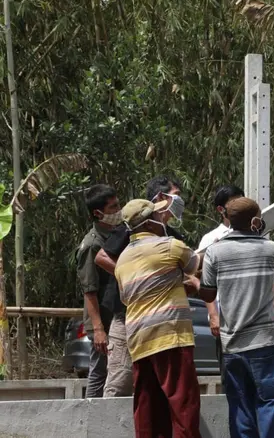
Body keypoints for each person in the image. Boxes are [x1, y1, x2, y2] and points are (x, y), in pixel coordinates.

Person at [197, 197, 274, 438]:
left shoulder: (214, 252)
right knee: (272, 403)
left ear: (228, 220)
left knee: (241, 407)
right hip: (267, 341)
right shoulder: (271, 249)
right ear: (255, 221)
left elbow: (208, 293)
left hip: (233, 344)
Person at [115, 198, 202, 438]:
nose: (162, 217)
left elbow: (129, 296)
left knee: (148, 408)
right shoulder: (169, 246)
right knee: (183, 404)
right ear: (150, 223)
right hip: (169, 336)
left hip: (139, 340)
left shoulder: (121, 260)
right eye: (157, 215)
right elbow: (195, 264)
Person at [95, 175, 186, 398]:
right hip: (126, 316)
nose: (180, 201)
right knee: (120, 380)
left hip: (162, 319)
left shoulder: (173, 237)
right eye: (176, 195)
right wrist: (132, 275)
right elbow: (102, 257)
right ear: (162, 198)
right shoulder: (130, 228)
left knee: (156, 385)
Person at [197, 184, 245, 387]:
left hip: (251, 315)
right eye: (234, 203)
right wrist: (214, 314)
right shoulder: (210, 240)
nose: (239, 207)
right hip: (225, 318)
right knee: (232, 377)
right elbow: (204, 280)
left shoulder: (254, 234)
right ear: (221, 210)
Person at [76, 184, 121, 397]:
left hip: (117, 316)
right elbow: (89, 291)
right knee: (99, 372)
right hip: (102, 320)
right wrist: (98, 329)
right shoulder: (92, 245)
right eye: (114, 207)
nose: (118, 211)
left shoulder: (117, 236)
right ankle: (91, 417)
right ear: (98, 213)